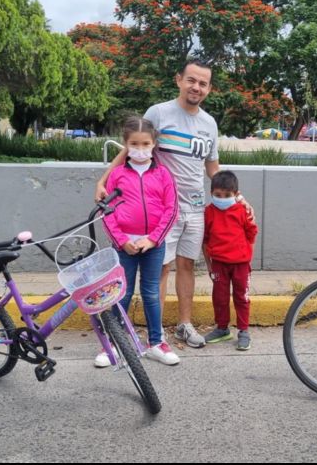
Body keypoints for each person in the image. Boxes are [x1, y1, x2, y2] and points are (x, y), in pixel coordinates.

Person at [97, 59, 253, 349]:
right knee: (161, 269)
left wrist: (238, 197)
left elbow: (213, 170)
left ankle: (184, 324)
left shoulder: (209, 123)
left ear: (209, 88)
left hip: (195, 209)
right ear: (179, 79)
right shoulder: (158, 113)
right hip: (161, 210)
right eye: (192, 80)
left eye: (203, 83)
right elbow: (133, 146)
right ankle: (153, 331)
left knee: (186, 265)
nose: (197, 87)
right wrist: (104, 180)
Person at [96, 117, 180, 367]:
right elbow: (106, 210)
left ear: (154, 144)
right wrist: (122, 241)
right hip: (124, 247)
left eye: (146, 144)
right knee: (121, 294)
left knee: (151, 294)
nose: (140, 149)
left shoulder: (163, 173)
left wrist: (153, 239)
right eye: (134, 143)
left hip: (153, 245)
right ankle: (114, 344)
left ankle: (156, 343)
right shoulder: (118, 174)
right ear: (125, 144)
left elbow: (171, 208)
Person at [202, 171, 258, 351]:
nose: (222, 198)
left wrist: (247, 257)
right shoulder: (208, 212)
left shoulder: (243, 211)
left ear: (236, 194)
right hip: (218, 263)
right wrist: (210, 265)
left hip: (241, 264)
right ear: (211, 193)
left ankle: (243, 331)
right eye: (218, 195)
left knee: (241, 297)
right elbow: (205, 239)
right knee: (220, 297)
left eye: (227, 195)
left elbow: (251, 234)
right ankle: (222, 328)